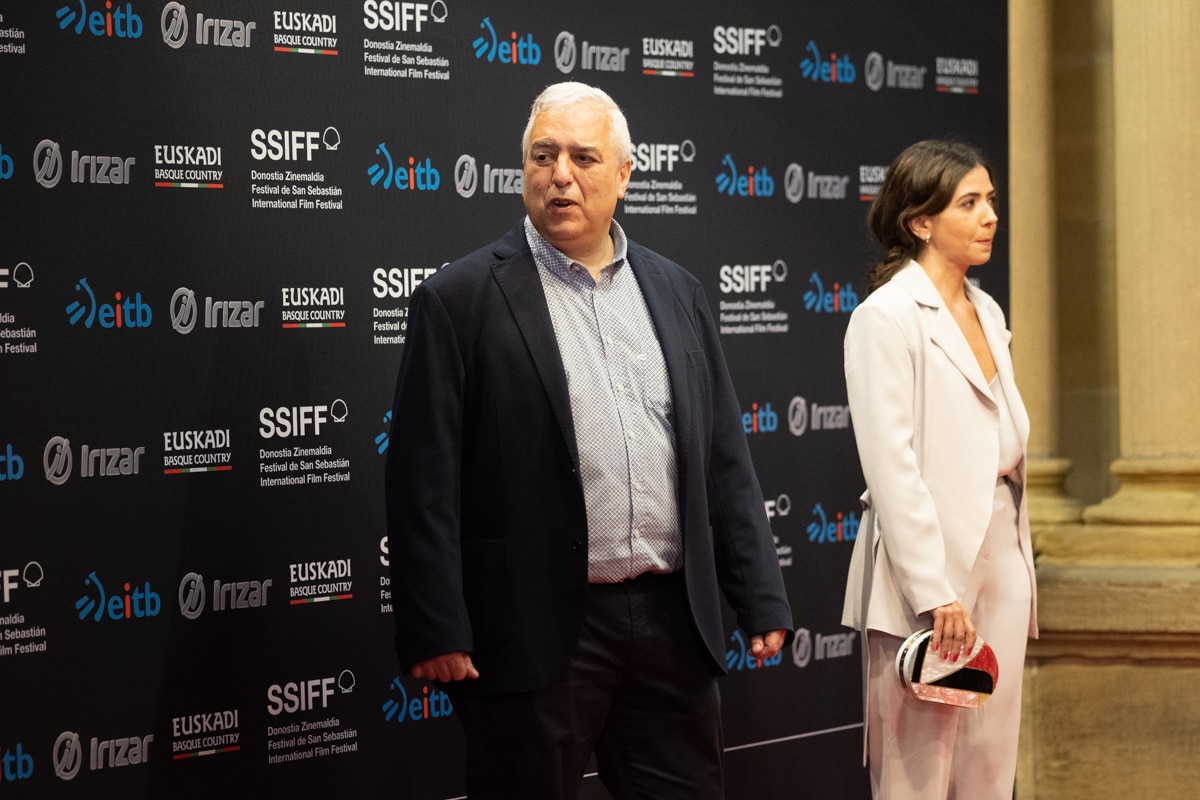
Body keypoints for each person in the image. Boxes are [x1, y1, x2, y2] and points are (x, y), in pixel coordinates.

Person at [385, 81, 793, 800]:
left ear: (625, 174)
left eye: (583, 157)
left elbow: (723, 458)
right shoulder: (458, 299)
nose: (560, 175)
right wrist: (436, 624)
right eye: (543, 156)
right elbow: (424, 481)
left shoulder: (677, 291)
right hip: (533, 628)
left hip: (672, 622)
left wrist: (759, 593)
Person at [840, 140, 1038, 799]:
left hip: (1003, 550)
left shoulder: (988, 309)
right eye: (969, 203)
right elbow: (891, 463)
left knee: (988, 765)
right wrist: (934, 590)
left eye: (991, 201)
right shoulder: (886, 316)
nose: (990, 216)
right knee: (919, 774)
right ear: (920, 221)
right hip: (929, 574)